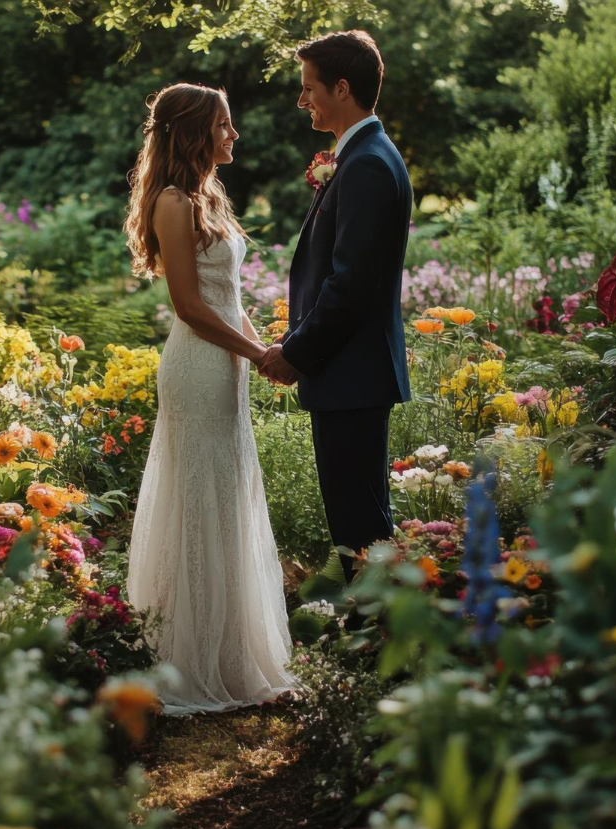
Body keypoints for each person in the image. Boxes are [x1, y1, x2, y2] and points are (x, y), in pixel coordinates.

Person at [122, 83, 295, 715]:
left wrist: (269, 351)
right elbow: (190, 308)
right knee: (198, 496)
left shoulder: (208, 198)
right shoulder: (172, 202)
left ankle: (231, 650)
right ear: (196, 131)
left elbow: (229, 300)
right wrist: (257, 355)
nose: (234, 135)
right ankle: (189, 659)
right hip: (197, 369)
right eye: (225, 124)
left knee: (227, 493)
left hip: (229, 365)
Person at [257, 31, 413, 582]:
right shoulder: (364, 156)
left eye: (308, 88)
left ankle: (378, 640)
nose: (302, 101)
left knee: (361, 524)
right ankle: (375, 632)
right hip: (352, 374)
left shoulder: (367, 164)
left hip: (352, 373)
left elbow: (350, 285)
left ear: (341, 88)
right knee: (357, 519)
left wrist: (296, 352)